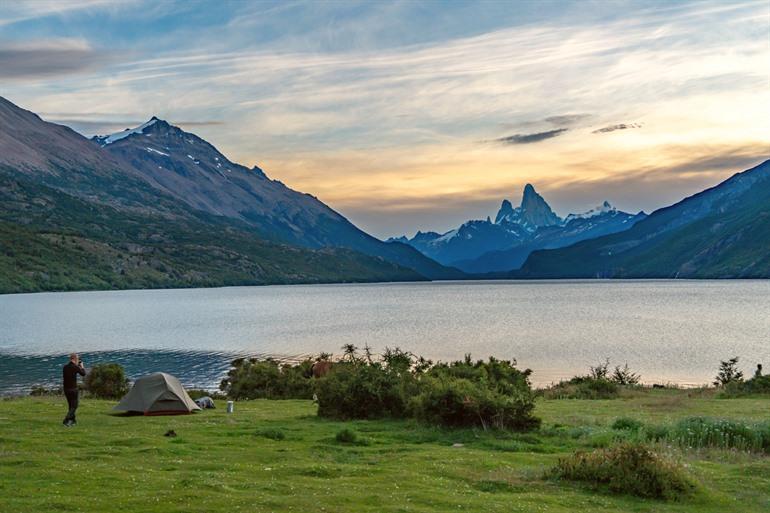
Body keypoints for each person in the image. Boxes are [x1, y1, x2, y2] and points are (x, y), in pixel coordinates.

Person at [62, 353, 86, 427]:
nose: (78, 360)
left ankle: (72, 421)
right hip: (73, 389)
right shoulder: (75, 367)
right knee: (74, 406)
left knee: (70, 406)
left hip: (66, 389)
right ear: (74, 359)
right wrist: (82, 366)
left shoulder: (65, 367)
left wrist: (77, 366)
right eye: (77, 359)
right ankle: (66, 420)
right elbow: (83, 373)